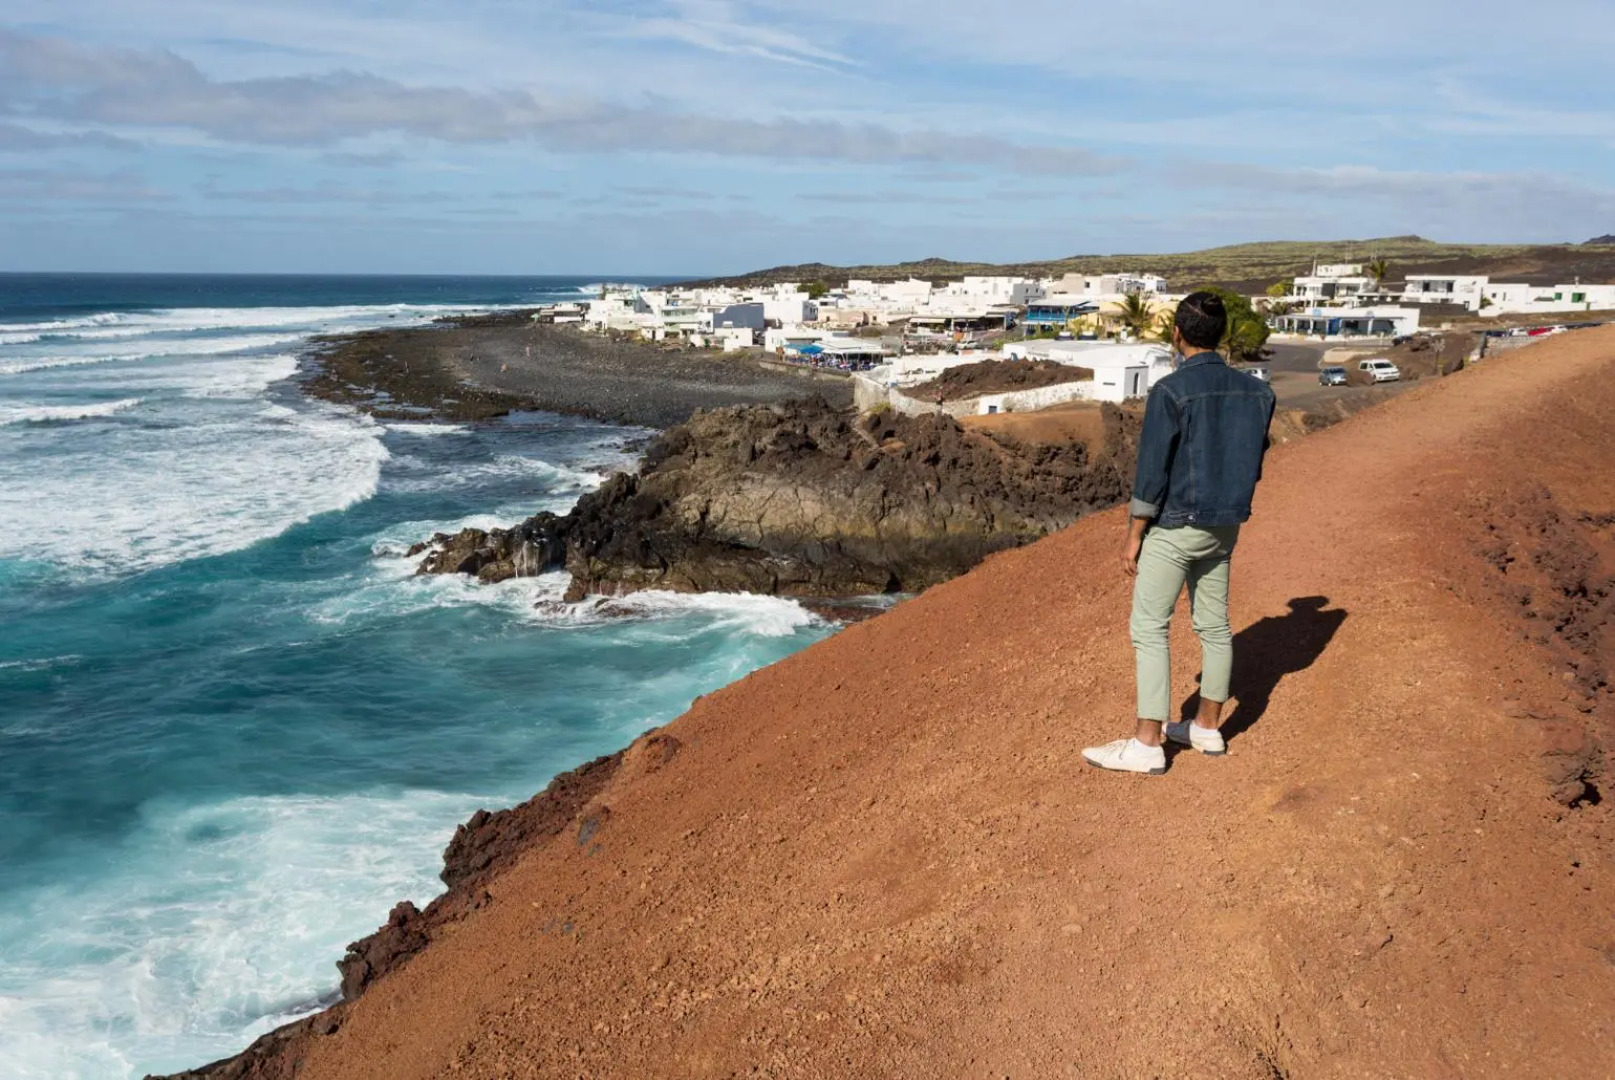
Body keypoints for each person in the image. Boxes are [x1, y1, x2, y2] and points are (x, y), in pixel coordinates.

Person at [1082, 292, 1276, 776]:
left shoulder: (1170, 392)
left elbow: (1152, 474)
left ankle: (1148, 742)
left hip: (1176, 525)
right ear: (1222, 334)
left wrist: (1133, 535)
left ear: (1177, 333)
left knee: (1149, 628)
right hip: (1225, 523)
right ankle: (1207, 727)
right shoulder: (1259, 393)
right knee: (1213, 624)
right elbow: (1253, 459)